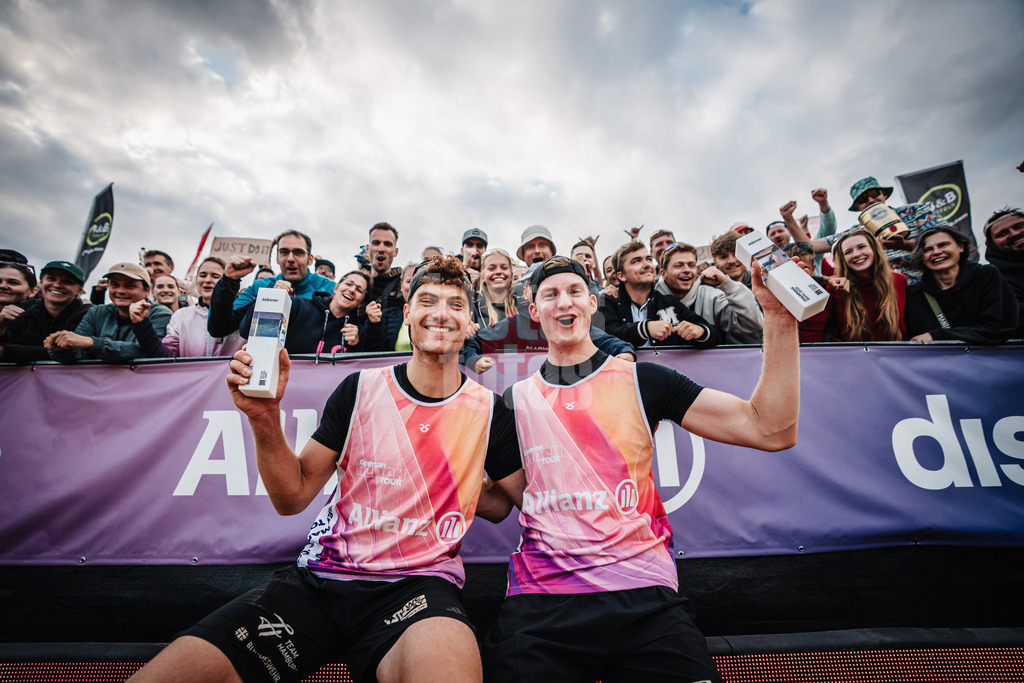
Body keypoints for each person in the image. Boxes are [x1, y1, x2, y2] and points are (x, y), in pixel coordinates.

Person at [129, 255, 520, 683]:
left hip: (419, 590)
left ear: (470, 324)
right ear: (407, 313)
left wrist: (449, 482)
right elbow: (291, 496)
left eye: (456, 304)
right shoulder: (360, 388)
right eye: (428, 300)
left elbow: (503, 505)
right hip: (321, 581)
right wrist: (264, 417)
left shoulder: (488, 411)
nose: (441, 313)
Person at [478, 255, 800, 681]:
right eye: (550, 295)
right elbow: (501, 502)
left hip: (644, 600)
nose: (564, 302)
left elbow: (770, 428)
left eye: (574, 291)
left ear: (592, 303)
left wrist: (778, 319)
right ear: (534, 312)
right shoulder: (513, 402)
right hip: (543, 604)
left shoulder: (644, 381)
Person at [461, 260, 635, 374]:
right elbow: (473, 342)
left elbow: (611, 343)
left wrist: (625, 353)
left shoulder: (575, 323)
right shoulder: (514, 324)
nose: (563, 302)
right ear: (525, 292)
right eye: (535, 285)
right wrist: (472, 360)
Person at [207, 230, 335, 338]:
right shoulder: (260, 287)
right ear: (277, 258)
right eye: (284, 252)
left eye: (298, 252)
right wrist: (229, 280)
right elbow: (219, 329)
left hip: (312, 365)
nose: (290, 259)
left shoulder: (329, 288)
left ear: (310, 259)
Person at [904, 225, 1018, 344]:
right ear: (921, 257)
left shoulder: (986, 275)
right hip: (940, 361)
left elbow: (999, 328)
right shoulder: (914, 293)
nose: (936, 252)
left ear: (961, 247)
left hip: (988, 359)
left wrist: (939, 335)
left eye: (943, 245)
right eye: (927, 250)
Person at [598, 242, 719, 349]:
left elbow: (716, 335)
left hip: (667, 372)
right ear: (621, 275)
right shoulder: (607, 302)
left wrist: (700, 331)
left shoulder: (669, 302)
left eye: (649, 259)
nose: (647, 265)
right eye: (637, 261)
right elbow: (602, 339)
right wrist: (645, 329)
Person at [46, 262, 172, 363]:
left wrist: (92, 343)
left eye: (129, 286)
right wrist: (60, 347)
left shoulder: (161, 314)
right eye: (114, 285)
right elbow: (75, 353)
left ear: (146, 291)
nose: (120, 291)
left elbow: (151, 353)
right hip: (97, 388)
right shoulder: (96, 312)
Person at [238, 270, 371, 356]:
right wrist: (272, 301)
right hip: (285, 387)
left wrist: (357, 344)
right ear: (336, 288)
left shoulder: (357, 331)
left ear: (361, 303)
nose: (352, 290)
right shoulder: (298, 306)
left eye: (359, 290)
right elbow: (246, 331)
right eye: (348, 283)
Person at [656, 242, 763, 344]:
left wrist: (728, 284)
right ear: (663, 273)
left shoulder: (712, 296)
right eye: (678, 266)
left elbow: (753, 324)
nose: (687, 270)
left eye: (691, 265)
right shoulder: (650, 299)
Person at [140, 257, 245, 358]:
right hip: (190, 377)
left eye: (215, 276)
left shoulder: (240, 313)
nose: (207, 280)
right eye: (202, 275)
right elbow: (167, 355)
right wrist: (142, 324)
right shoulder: (181, 316)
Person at [0, 260, 91, 363]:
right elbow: (11, 343)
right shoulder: (23, 309)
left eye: (67, 281)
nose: (57, 285)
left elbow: (74, 354)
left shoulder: (89, 315)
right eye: (51, 278)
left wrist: (6, 351)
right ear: (41, 282)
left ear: (79, 290)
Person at [828, 229, 907, 342]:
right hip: (855, 356)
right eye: (848, 252)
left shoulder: (899, 281)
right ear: (843, 259)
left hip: (898, 354)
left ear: (874, 249)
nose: (856, 254)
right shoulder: (835, 288)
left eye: (861, 247)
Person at [982, 207, 1024, 337]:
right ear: (992, 245)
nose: (1014, 234)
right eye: (1002, 234)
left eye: (1019, 226)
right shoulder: (992, 280)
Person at [364, 262, 417, 353]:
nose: (413, 285)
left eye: (419, 281)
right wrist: (374, 325)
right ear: (401, 286)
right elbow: (374, 354)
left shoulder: (439, 315)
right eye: (409, 281)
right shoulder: (387, 316)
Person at [471, 249, 515, 328]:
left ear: (511, 275)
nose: (498, 272)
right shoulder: (473, 309)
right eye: (491, 268)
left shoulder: (523, 306)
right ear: (483, 276)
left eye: (504, 267)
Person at [366, 222, 404, 310]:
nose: (381, 249)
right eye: (376, 243)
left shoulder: (403, 284)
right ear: (368, 249)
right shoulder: (355, 283)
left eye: (387, 244)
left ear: (395, 251)